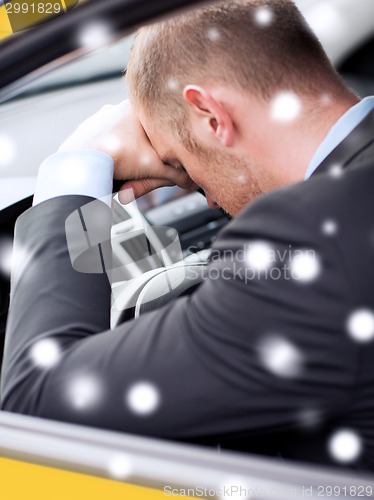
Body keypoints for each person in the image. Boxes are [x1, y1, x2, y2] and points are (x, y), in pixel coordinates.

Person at [2, 0, 374, 471]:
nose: (210, 202)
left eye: (182, 166)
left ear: (211, 114)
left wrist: (78, 168)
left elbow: (37, 408)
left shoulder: (312, 246)